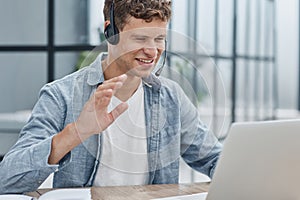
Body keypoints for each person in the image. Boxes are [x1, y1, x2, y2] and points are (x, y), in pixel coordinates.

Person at [0, 0, 222, 194]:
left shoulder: (171, 97)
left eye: (159, 39)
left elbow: (214, 159)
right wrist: (77, 132)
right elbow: (8, 179)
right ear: (110, 33)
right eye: (140, 38)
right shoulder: (61, 95)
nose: (152, 51)